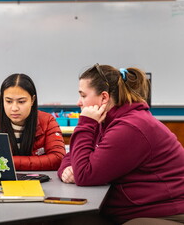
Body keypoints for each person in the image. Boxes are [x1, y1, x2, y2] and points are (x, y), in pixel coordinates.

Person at [58, 64, 184, 224]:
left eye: (83, 95)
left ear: (104, 97)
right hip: (132, 209)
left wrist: (85, 123)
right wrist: (66, 170)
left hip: (164, 213)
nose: (78, 102)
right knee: (70, 219)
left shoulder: (130, 127)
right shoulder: (106, 121)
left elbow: (84, 174)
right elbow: (73, 156)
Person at [0, 73, 66, 171]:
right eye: (8, 101)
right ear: (2, 99)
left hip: (38, 182)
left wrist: (5, 162)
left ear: (32, 100)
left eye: (21, 102)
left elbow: (58, 158)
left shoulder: (47, 121)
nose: (14, 108)